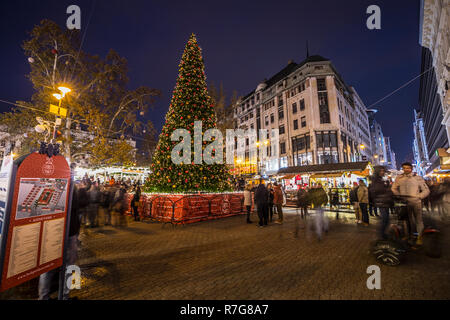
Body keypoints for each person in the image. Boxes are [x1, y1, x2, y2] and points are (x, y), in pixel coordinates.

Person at [38, 180, 88, 300]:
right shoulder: (70, 187)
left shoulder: (49, 186)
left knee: (47, 267)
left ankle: (43, 296)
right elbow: (81, 203)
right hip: (69, 232)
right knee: (69, 266)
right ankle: (64, 296)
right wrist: (81, 189)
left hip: (52, 232)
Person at [391, 162, 430, 245]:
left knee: (418, 220)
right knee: (406, 221)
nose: (406, 169)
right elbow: (393, 188)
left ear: (411, 168)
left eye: (408, 168)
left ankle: (420, 237)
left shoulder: (417, 177)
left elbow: (426, 190)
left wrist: (419, 196)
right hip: (404, 203)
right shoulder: (399, 178)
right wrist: (398, 195)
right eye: (404, 168)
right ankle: (409, 235)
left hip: (416, 202)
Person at [369, 166, 394, 240]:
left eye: (383, 171)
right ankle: (382, 236)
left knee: (386, 220)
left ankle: (383, 234)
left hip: (384, 202)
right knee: (385, 220)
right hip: (381, 202)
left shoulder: (381, 180)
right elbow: (377, 190)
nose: (382, 172)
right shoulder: (376, 180)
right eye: (381, 171)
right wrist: (387, 190)